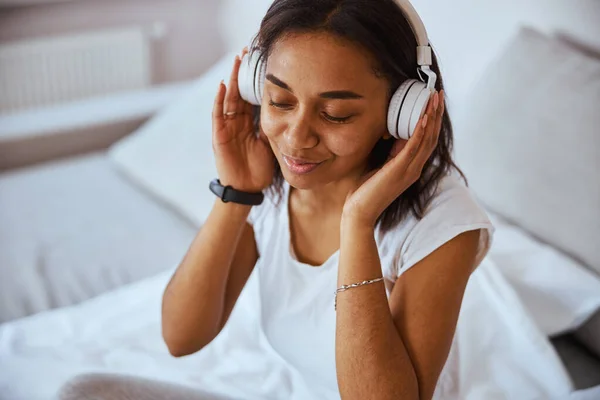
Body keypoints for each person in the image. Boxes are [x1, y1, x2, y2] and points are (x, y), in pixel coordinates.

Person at [60, 0, 494, 399]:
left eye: (335, 114)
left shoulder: (443, 223)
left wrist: (358, 221)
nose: (296, 138)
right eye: (280, 101)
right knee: (85, 392)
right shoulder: (274, 184)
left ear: (402, 114)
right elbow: (181, 336)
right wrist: (237, 193)